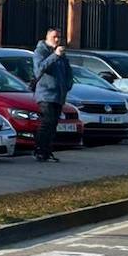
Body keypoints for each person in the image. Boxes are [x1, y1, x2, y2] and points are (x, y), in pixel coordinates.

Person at [32, 27, 73, 163]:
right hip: (46, 94)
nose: (57, 40)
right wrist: (55, 55)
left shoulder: (62, 54)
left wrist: (67, 85)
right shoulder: (40, 52)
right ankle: (40, 150)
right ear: (47, 37)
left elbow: (68, 71)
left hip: (59, 95)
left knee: (53, 124)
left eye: (59, 37)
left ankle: (48, 152)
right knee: (47, 122)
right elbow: (39, 69)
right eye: (54, 37)